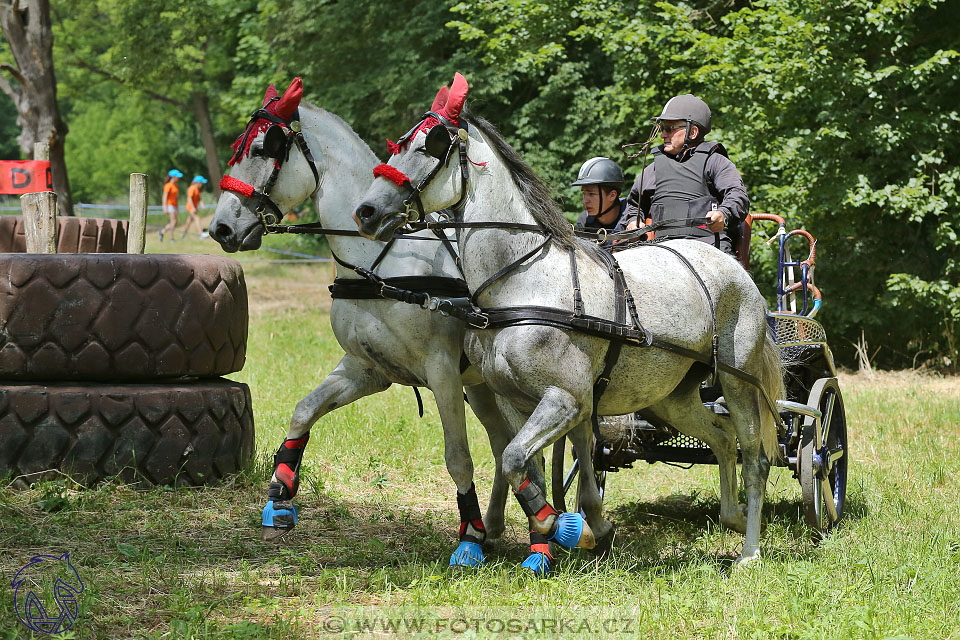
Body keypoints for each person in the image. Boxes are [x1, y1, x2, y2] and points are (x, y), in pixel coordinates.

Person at [622, 95, 749, 257]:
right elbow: (634, 204)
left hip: (708, 249)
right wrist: (634, 222)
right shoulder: (653, 169)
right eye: (662, 129)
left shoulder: (715, 161)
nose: (662, 135)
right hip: (661, 250)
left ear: (693, 132)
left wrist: (723, 214)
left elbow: (738, 196)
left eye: (669, 129)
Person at [571, 157, 628, 246]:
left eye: (591, 194)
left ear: (612, 195)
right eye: (584, 194)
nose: (584, 200)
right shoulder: (584, 221)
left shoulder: (631, 217)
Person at [159, 169, 183, 242]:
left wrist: (177, 206)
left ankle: (162, 232)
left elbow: (176, 197)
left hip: (174, 206)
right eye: (177, 176)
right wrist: (164, 207)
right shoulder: (168, 185)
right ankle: (171, 238)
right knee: (173, 221)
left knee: (175, 222)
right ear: (173, 177)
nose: (178, 178)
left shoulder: (175, 185)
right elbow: (164, 197)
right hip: (169, 205)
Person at [182, 175, 208, 239]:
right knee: (197, 218)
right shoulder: (192, 188)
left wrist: (202, 205)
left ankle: (183, 236)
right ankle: (201, 234)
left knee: (188, 222)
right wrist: (193, 207)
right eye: (201, 183)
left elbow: (199, 199)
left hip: (194, 207)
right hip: (190, 207)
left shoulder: (198, 189)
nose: (202, 184)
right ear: (198, 182)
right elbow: (189, 199)